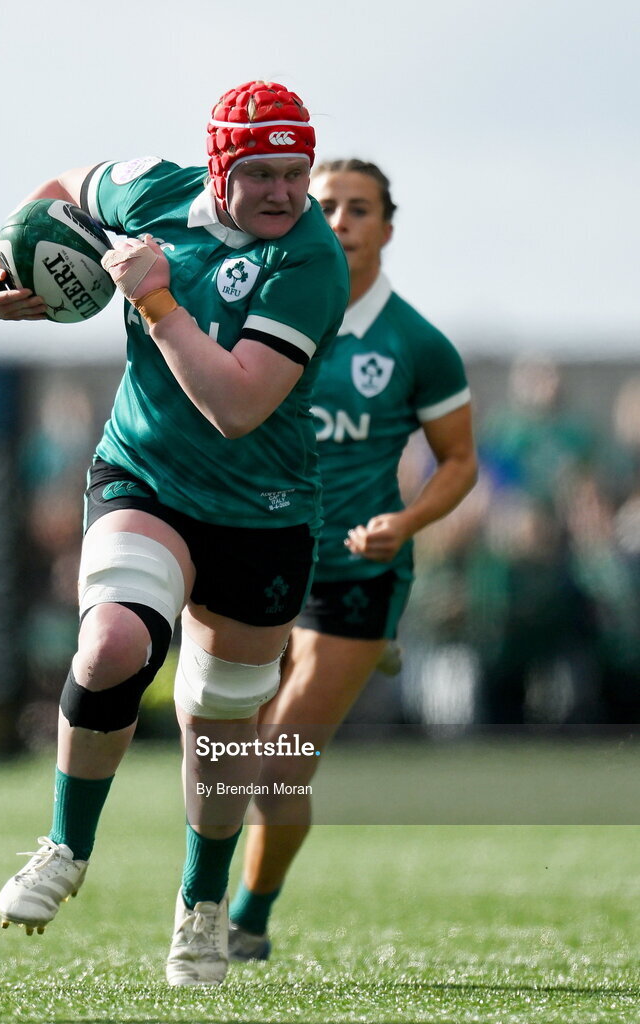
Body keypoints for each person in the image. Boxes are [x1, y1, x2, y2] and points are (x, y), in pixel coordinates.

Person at [0, 80, 349, 987]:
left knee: (219, 728)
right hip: (144, 476)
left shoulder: (311, 260)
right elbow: (58, 192)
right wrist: (1, 259)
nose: (283, 193)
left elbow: (237, 406)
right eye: (258, 173)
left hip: (263, 510)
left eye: (294, 173)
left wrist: (158, 302)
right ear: (217, 167)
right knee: (110, 644)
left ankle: (200, 908)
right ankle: (64, 846)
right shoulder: (152, 189)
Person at [227, 158, 478, 961]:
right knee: (231, 756)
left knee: (274, 770)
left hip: (355, 577)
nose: (339, 220)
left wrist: (403, 524)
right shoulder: (267, 313)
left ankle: (245, 922)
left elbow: (461, 462)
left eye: (359, 209)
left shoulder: (415, 343)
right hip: (268, 559)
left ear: (386, 228)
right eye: (325, 204)